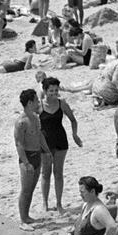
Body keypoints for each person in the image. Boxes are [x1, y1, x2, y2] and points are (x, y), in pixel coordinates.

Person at [37, 75, 83, 212]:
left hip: (60, 140)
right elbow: (32, 124)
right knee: (46, 173)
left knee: (58, 173)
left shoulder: (61, 103)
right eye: (51, 90)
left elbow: (73, 120)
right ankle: (45, 203)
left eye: (56, 90)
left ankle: (59, 204)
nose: (54, 93)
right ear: (45, 90)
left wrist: (75, 134)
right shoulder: (39, 105)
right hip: (45, 143)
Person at [13, 88, 50, 227]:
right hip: (27, 158)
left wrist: (46, 151)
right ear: (29, 103)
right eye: (36, 100)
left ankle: (27, 216)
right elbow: (19, 144)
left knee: (31, 189)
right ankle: (23, 220)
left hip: (36, 155)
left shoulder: (35, 117)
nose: (38, 102)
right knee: (25, 190)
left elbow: (39, 136)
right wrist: (26, 162)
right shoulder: (21, 122)